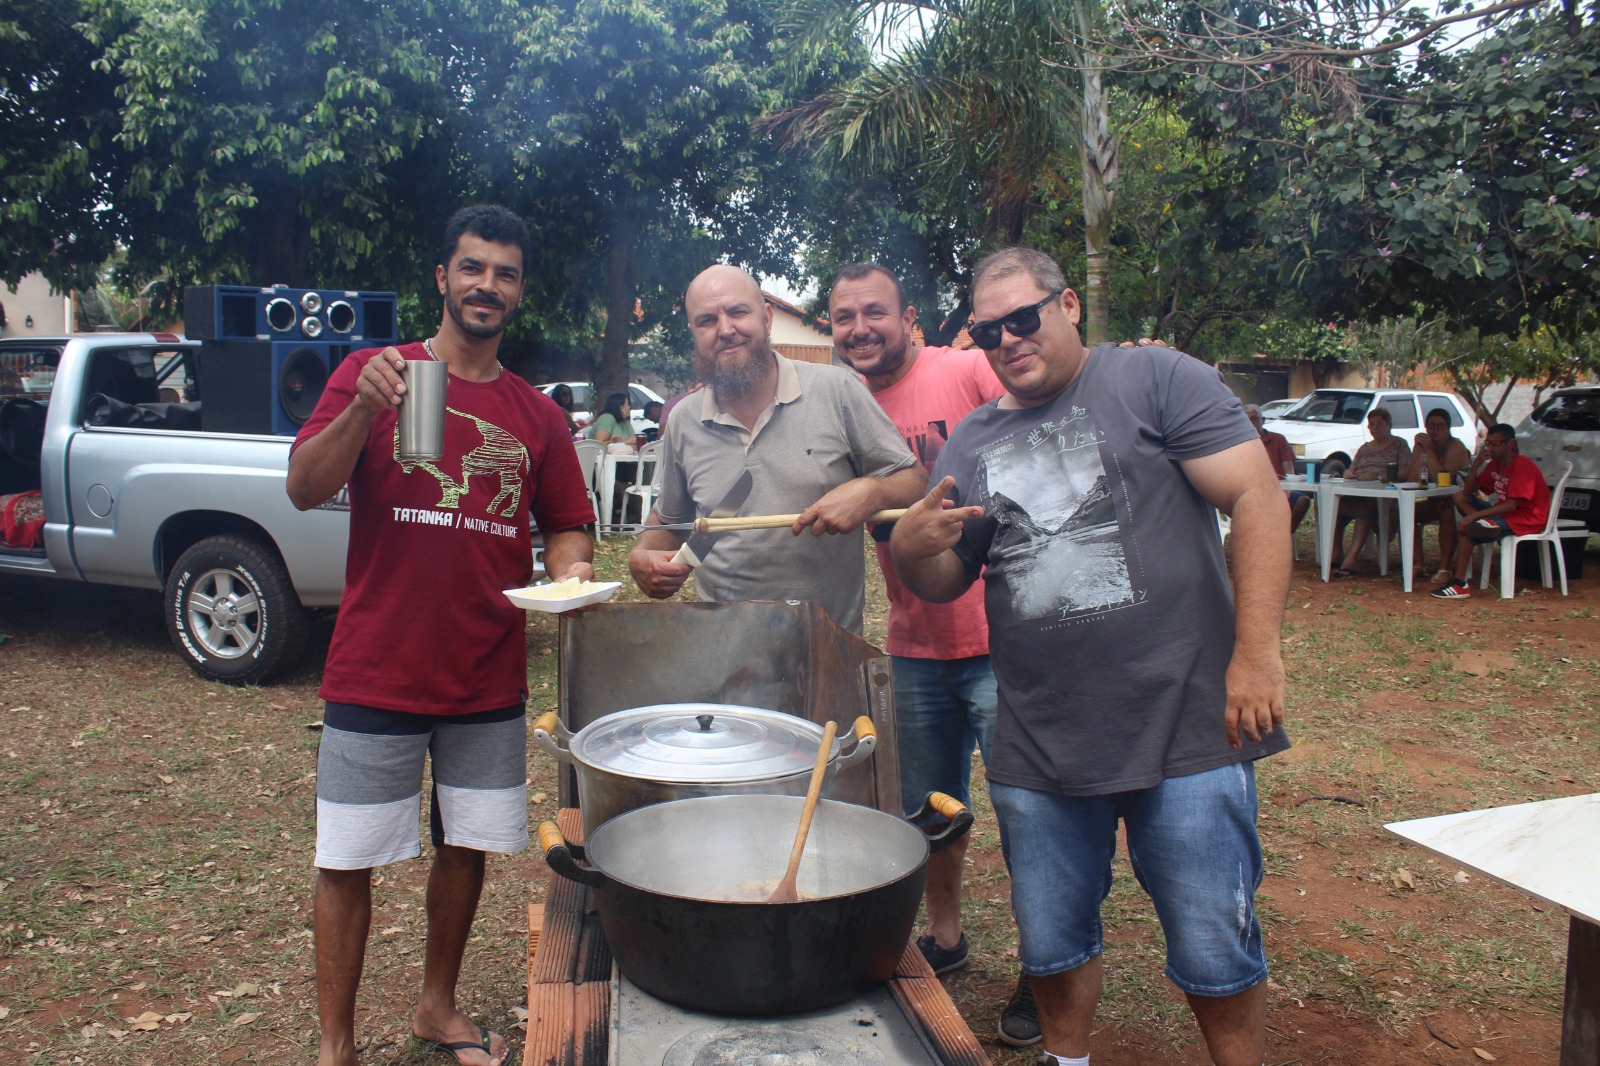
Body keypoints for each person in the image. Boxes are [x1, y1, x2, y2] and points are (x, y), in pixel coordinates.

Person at [890, 247, 1290, 1066]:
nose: (1007, 339)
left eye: (1023, 318)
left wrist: (1256, 654)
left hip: (1185, 721)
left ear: (1068, 305)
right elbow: (943, 579)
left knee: (1215, 944)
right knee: (1052, 944)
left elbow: (1256, 496)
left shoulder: (1155, 380)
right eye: (987, 329)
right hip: (1042, 740)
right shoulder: (973, 440)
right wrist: (908, 546)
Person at [286, 204, 596, 1066]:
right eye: (471, 268)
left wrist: (571, 571)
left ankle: (436, 1005)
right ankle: (337, 1047)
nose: (486, 285)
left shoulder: (535, 416)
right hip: (375, 667)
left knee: (466, 849)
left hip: (486, 673)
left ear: (518, 291)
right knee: (347, 859)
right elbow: (304, 488)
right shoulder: (375, 374)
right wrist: (361, 413)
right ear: (443, 278)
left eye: (503, 273)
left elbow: (569, 524)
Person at [828, 262, 1039, 1046]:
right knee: (929, 813)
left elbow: (1045, 380)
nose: (859, 329)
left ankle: (1044, 964)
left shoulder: (965, 365)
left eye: (874, 312)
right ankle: (945, 939)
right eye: (843, 316)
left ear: (908, 317)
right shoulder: (844, 407)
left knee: (1029, 812)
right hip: (914, 645)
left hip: (1007, 640)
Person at [626, 263, 923, 636]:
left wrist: (872, 491)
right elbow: (671, 523)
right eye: (707, 320)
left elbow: (915, 481)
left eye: (738, 312)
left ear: (766, 318)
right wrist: (641, 558)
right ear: (694, 333)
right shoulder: (684, 419)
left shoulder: (837, 390)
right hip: (722, 653)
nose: (725, 330)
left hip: (828, 650)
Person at [1431, 423, 1551, 600]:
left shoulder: (1521, 465)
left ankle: (1459, 584)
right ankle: (1482, 525)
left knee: (1467, 530)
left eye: (1495, 443)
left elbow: (1512, 505)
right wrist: (1476, 465)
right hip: (1506, 515)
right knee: (1459, 498)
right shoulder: (1495, 464)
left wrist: (1474, 516)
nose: (1489, 448)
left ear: (1510, 444)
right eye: (1487, 443)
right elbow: (1469, 492)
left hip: (1527, 518)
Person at [1330, 407, 1412, 578]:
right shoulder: (1364, 448)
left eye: (1379, 424)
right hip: (1359, 492)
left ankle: (1351, 559)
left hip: (1386, 498)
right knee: (1335, 505)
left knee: (1365, 506)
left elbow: (1406, 472)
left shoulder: (1400, 445)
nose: (1375, 428)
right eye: (1371, 424)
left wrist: (1378, 476)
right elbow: (1350, 470)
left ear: (1389, 425)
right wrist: (1350, 475)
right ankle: (1336, 554)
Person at [1405, 407, 1474, 584]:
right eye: (1432, 425)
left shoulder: (1456, 447)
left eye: (1440, 426)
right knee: (1406, 511)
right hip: (1435, 501)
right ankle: (1418, 563)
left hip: (1462, 503)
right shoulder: (1423, 446)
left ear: (1448, 427)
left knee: (1447, 508)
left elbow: (1443, 480)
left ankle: (1445, 568)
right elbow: (1413, 479)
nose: (1435, 429)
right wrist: (1419, 451)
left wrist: (1428, 451)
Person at [1244, 403, 1311, 534]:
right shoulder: (1242, 443)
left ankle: (1283, 536)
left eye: (1254, 419)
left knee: (1303, 500)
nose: (1251, 423)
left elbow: (1289, 471)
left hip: (1279, 488)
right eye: (1246, 420)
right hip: (1254, 490)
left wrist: (1287, 489)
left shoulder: (1278, 440)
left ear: (1262, 421)